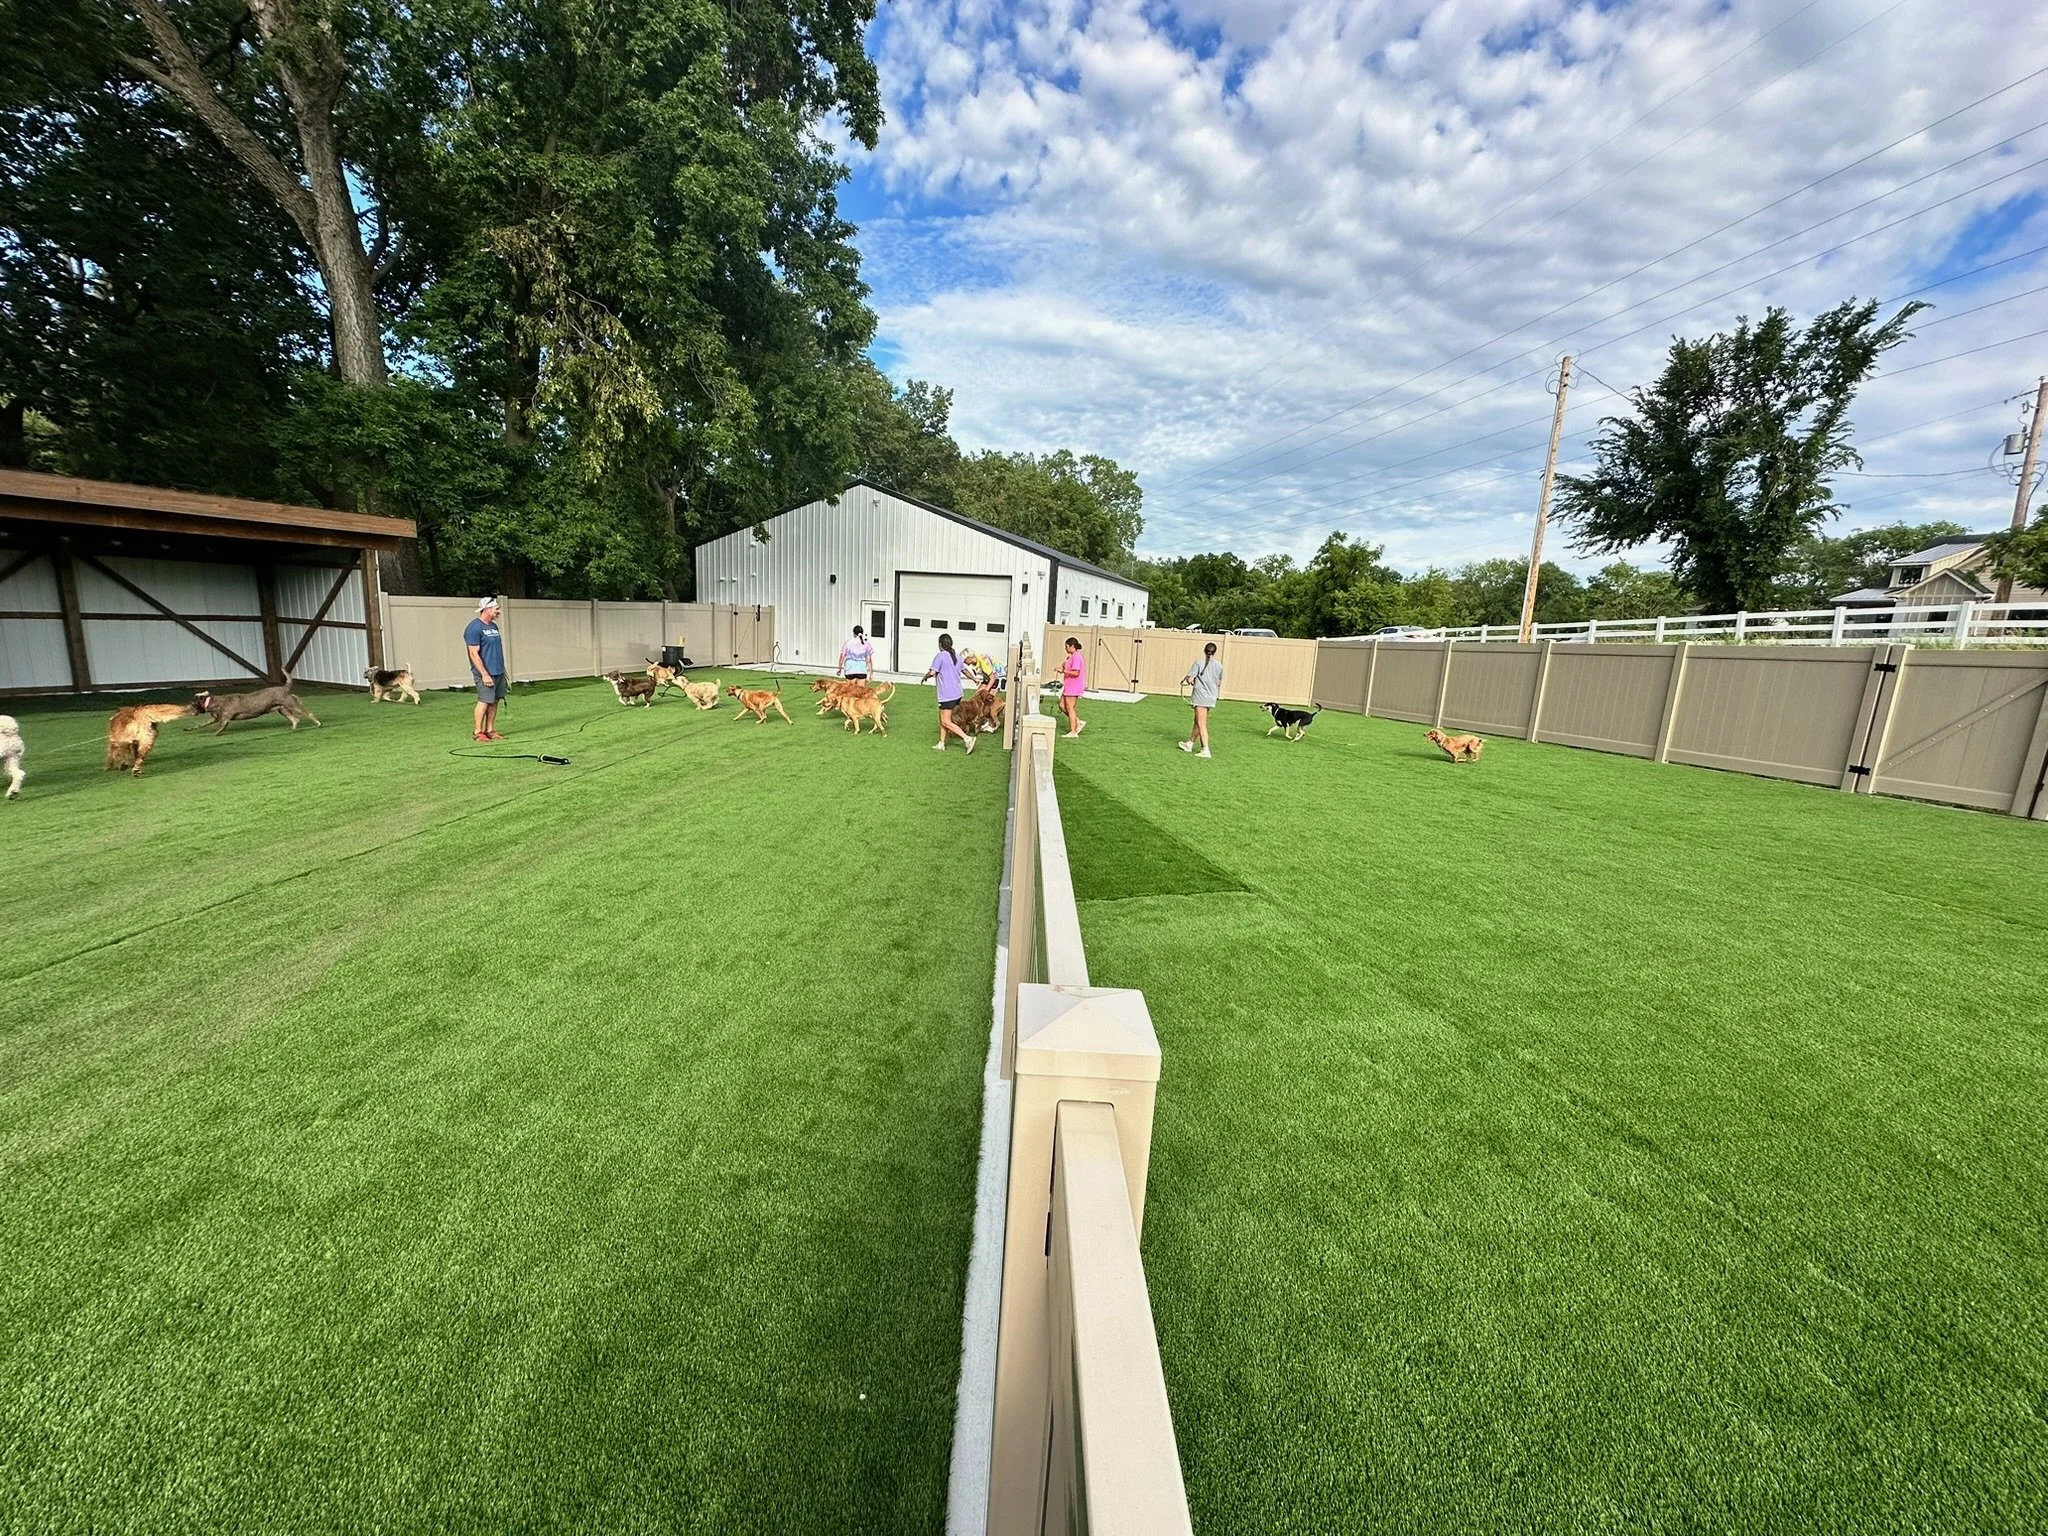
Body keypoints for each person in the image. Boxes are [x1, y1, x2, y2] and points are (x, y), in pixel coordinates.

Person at [922, 632, 976, 753]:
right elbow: (965, 671)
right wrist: (974, 679)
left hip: (947, 694)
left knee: (946, 721)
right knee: (943, 718)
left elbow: (932, 672)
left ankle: (967, 739)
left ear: (940, 644)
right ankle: (941, 743)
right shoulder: (956, 655)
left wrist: (924, 677)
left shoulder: (940, 656)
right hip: (957, 693)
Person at [464, 596, 508, 742]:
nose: (498, 612)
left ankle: (490, 730)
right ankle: (478, 731)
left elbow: (495, 649)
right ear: (487, 609)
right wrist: (484, 674)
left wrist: (503, 670)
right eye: (496, 609)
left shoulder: (494, 627)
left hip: (498, 671)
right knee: (484, 701)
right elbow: (473, 653)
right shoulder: (474, 628)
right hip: (484, 673)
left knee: (495, 701)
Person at [1179, 641, 1223, 758]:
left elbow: (1190, 679)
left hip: (1200, 697)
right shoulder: (1219, 666)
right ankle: (1190, 744)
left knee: (1201, 723)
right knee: (1197, 722)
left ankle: (1205, 749)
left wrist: (1191, 681)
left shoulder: (1199, 663)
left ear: (1205, 651)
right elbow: (1218, 682)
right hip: (1211, 697)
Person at [1058, 636, 1086, 739]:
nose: (1065, 648)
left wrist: (1063, 671)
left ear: (1072, 646)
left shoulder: (1077, 656)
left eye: (1066, 646)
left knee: (1070, 708)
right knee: (1061, 705)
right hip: (1068, 685)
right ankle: (1078, 722)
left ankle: (1073, 731)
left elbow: (1076, 672)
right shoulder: (1071, 656)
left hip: (1074, 686)